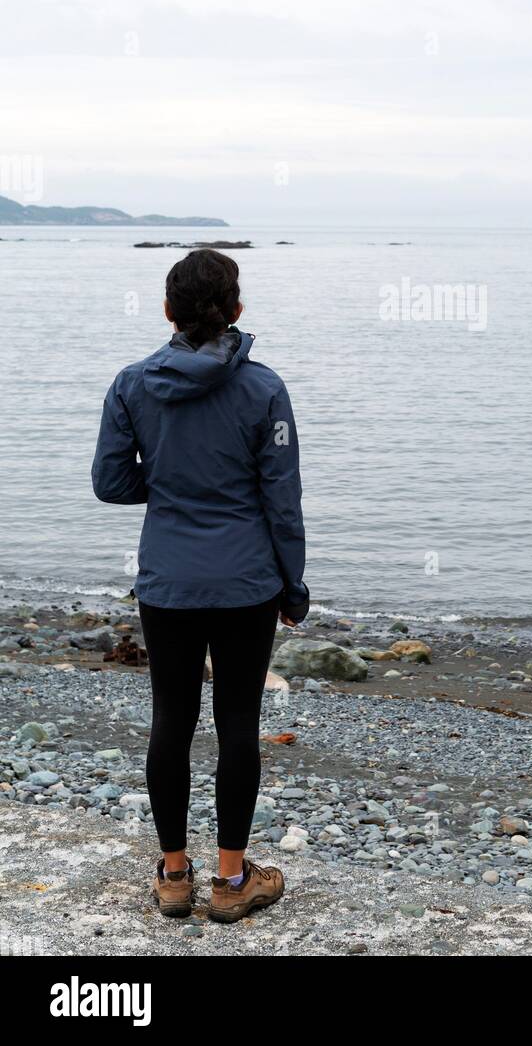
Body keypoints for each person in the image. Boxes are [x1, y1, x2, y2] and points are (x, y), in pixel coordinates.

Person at [91, 248, 308, 923]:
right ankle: (232, 879)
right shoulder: (264, 388)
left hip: (168, 582)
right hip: (246, 582)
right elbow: (283, 499)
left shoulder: (132, 384)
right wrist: (292, 584)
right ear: (235, 311)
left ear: (168, 311)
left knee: (171, 721)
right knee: (239, 723)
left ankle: (175, 876)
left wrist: (172, 481)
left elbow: (111, 481)